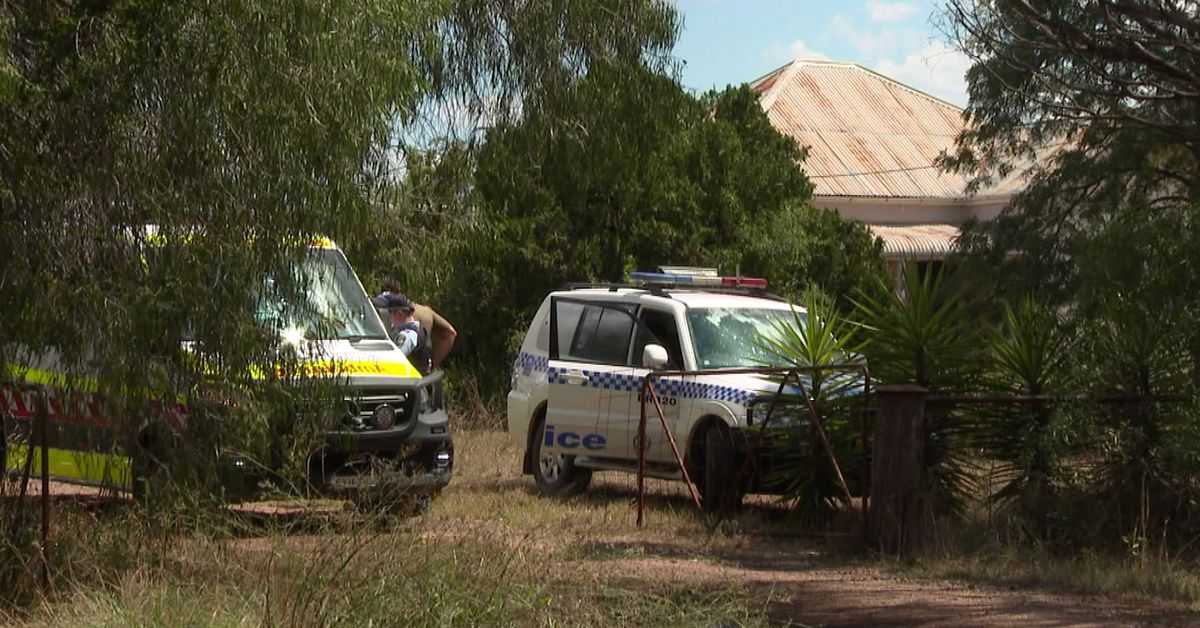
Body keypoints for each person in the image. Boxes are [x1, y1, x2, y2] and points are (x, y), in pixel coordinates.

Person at [381, 281, 457, 371]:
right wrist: (434, 365)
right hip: (426, 374)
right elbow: (450, 333)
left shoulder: (385, 313)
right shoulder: (426, 311)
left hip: (402, 376)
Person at [371, 291, 433, 375]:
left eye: (389, 311)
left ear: (399, 313)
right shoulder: (418, 330)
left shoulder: (408, 336)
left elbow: (392, 361)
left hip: (408, 385)